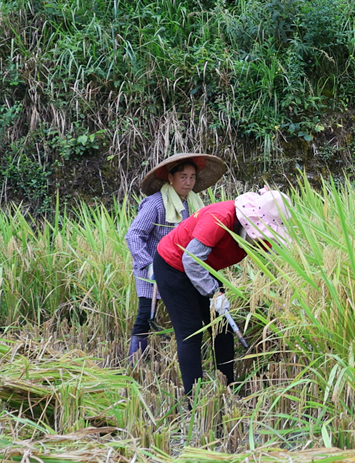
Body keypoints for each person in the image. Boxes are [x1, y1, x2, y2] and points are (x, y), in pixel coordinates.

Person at [152, 185, 292, 400]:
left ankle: (227, 387)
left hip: (206, 266)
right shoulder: (219, 218)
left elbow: (272, 261)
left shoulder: (257, 232)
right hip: (175, 265)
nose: (260, 241)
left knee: (223, 328)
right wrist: (213, 293)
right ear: (250, 222)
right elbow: (191, 260)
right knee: (191, 332)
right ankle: (194, 398)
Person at [124, 151, 226, 360]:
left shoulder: (194, 205)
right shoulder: (155, 204)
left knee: (194, 312)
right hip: (151, 268)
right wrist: (147, 263)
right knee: (145, 315)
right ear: (171, 178)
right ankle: (135, 364)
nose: (188, 182)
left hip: (181, 268)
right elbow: (134, 235)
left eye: (192, 177)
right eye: (183, 177)